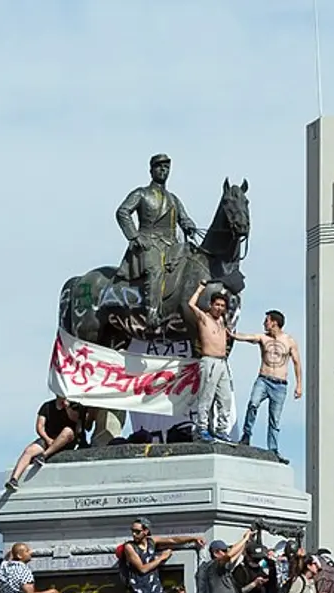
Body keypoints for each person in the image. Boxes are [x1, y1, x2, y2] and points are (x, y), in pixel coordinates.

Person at [115, 153, 199, 329]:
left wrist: (190, 226)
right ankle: (152, 313)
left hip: (171, 245)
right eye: (159, 166)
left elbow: (184, 219)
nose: (163, 170)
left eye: (166, 167)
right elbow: (123, 212)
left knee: (193, 262)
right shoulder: (141, 193)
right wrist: (135, 236)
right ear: (151, 170)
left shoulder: (174, 199)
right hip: (149, 242)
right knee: (156, 270)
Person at [117, 520, 203, 593]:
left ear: (146, 531)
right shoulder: (130, 547)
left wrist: (193, 538)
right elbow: (142, 568)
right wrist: (161, 558)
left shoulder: (151, 541)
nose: (134, 535)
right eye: (132, 531)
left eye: (137, 531)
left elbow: (173, 540)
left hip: (156, 591)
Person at [232, 310, 302, 455]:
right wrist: (233, 335)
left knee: (274, 418)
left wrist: (299, 385)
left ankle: (273, 448)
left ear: (274, 322)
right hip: (263, 379)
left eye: (267, 321)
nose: (264, 323)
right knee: (253, 403)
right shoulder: (263, 338)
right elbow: (248, 337)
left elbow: (297, 363)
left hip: (280, 384)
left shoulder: (289, 341)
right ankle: (246, 435)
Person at [185, 280, 235, 441]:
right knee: (206, 397)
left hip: (222, 363)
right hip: (209, 361)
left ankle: (221, 429)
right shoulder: (204, 318)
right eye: (217, 305)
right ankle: (201, 428)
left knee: (225, 398)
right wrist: (200, 287)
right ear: (211, 305)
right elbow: (191, 304)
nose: (219, 308)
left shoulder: (222, 320)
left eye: (222, 305)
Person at [6, 397, 85, 492]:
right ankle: (14, 479)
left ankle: (44, 455)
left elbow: (77, 423)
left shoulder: (74, 406)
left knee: (67, 431)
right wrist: (47, 439)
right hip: (48, 438)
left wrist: (68, 407)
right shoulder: (47, 406)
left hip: (67, 440)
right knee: (29, 450)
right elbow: (40, 426)